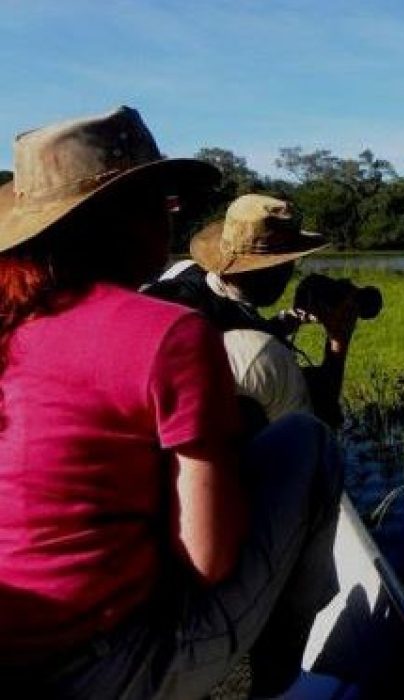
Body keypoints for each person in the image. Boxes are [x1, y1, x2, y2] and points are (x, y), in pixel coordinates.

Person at [0, 106, 343, 699]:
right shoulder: (167, 332)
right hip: (97, 668)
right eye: (163, 197)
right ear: (127, 215)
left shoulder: (14, 316)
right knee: (307, 443)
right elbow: (207, 564)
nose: (174, 211)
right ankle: (281, 685)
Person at [145, 193, 357, 428]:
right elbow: (320, 419)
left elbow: (228, 311)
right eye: (287, 264)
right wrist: (338, 340)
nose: (290, 272)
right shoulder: (258, 345)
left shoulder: (182, 274)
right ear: (268, 270)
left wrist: (282, 322)